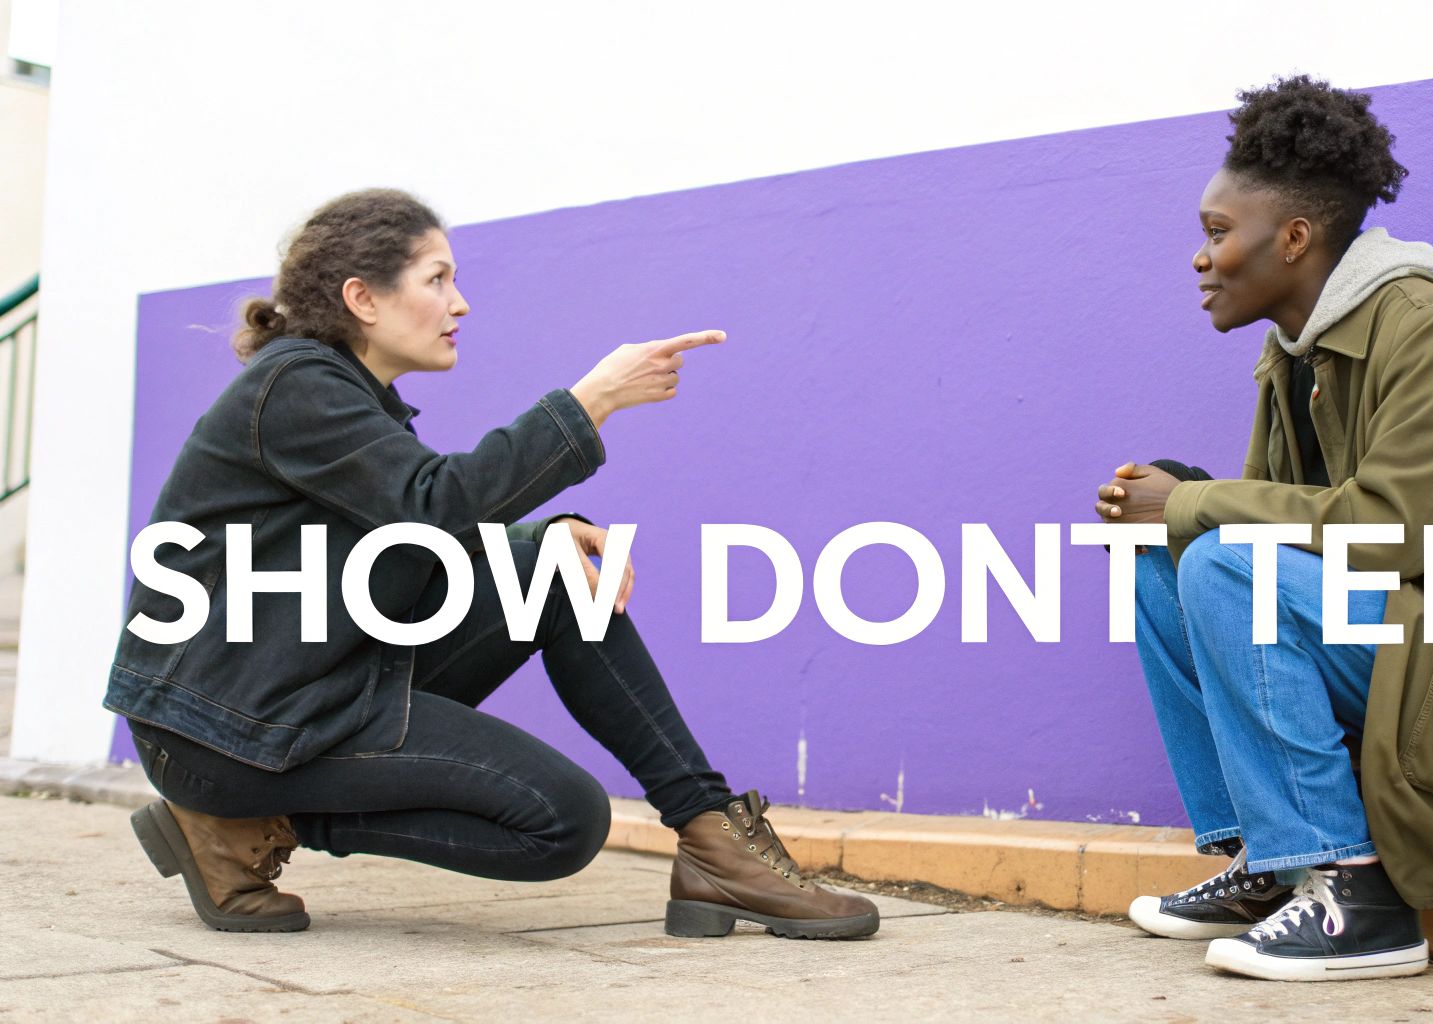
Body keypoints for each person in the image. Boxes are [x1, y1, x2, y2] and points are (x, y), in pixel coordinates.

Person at [106, 188, 878, 940]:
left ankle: (712, 839)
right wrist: (592, 400)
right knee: (563, 822)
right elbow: (430, 506)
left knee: (555, 574)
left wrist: (541, 538)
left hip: (307, 689)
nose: (461, 303)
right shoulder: (295, 387)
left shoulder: (340, 394)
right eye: (437, 278)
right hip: (224, 732)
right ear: (362, 298)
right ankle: (240, 820)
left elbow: (406, 538)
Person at [1093, 77, 1433, 981]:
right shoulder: (1295, 355)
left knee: (1221, 562)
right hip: (1414, 647)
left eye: (1218, 232)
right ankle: (1273, 861)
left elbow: (1394, 531)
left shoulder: (1423, 327)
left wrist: (1197, 505)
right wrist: (1177, 505)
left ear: (1294, 238)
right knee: (1164, 560)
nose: (1200, 258)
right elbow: (1288, 530)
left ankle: (1359, 899)